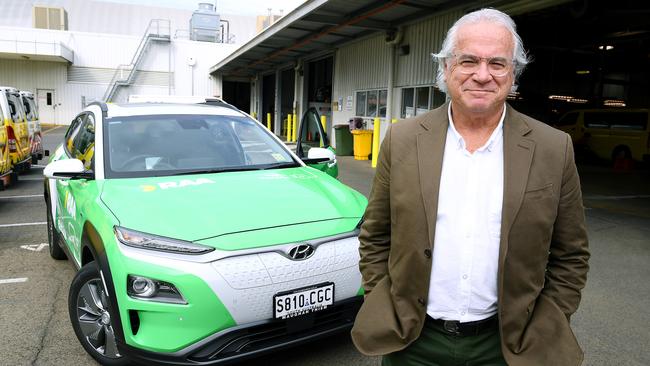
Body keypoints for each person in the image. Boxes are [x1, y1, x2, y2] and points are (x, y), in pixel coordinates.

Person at [351, 8, 590, 366]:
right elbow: (375, 235)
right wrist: (383, 299)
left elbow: (571, 255)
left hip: (507, 347)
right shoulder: (402, 139)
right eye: (468, 61)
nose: (482, 75)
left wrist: (548, 320)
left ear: (513, 74)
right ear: (446, 68)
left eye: (497, 63)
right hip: (414, 343)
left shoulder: (553, 148)